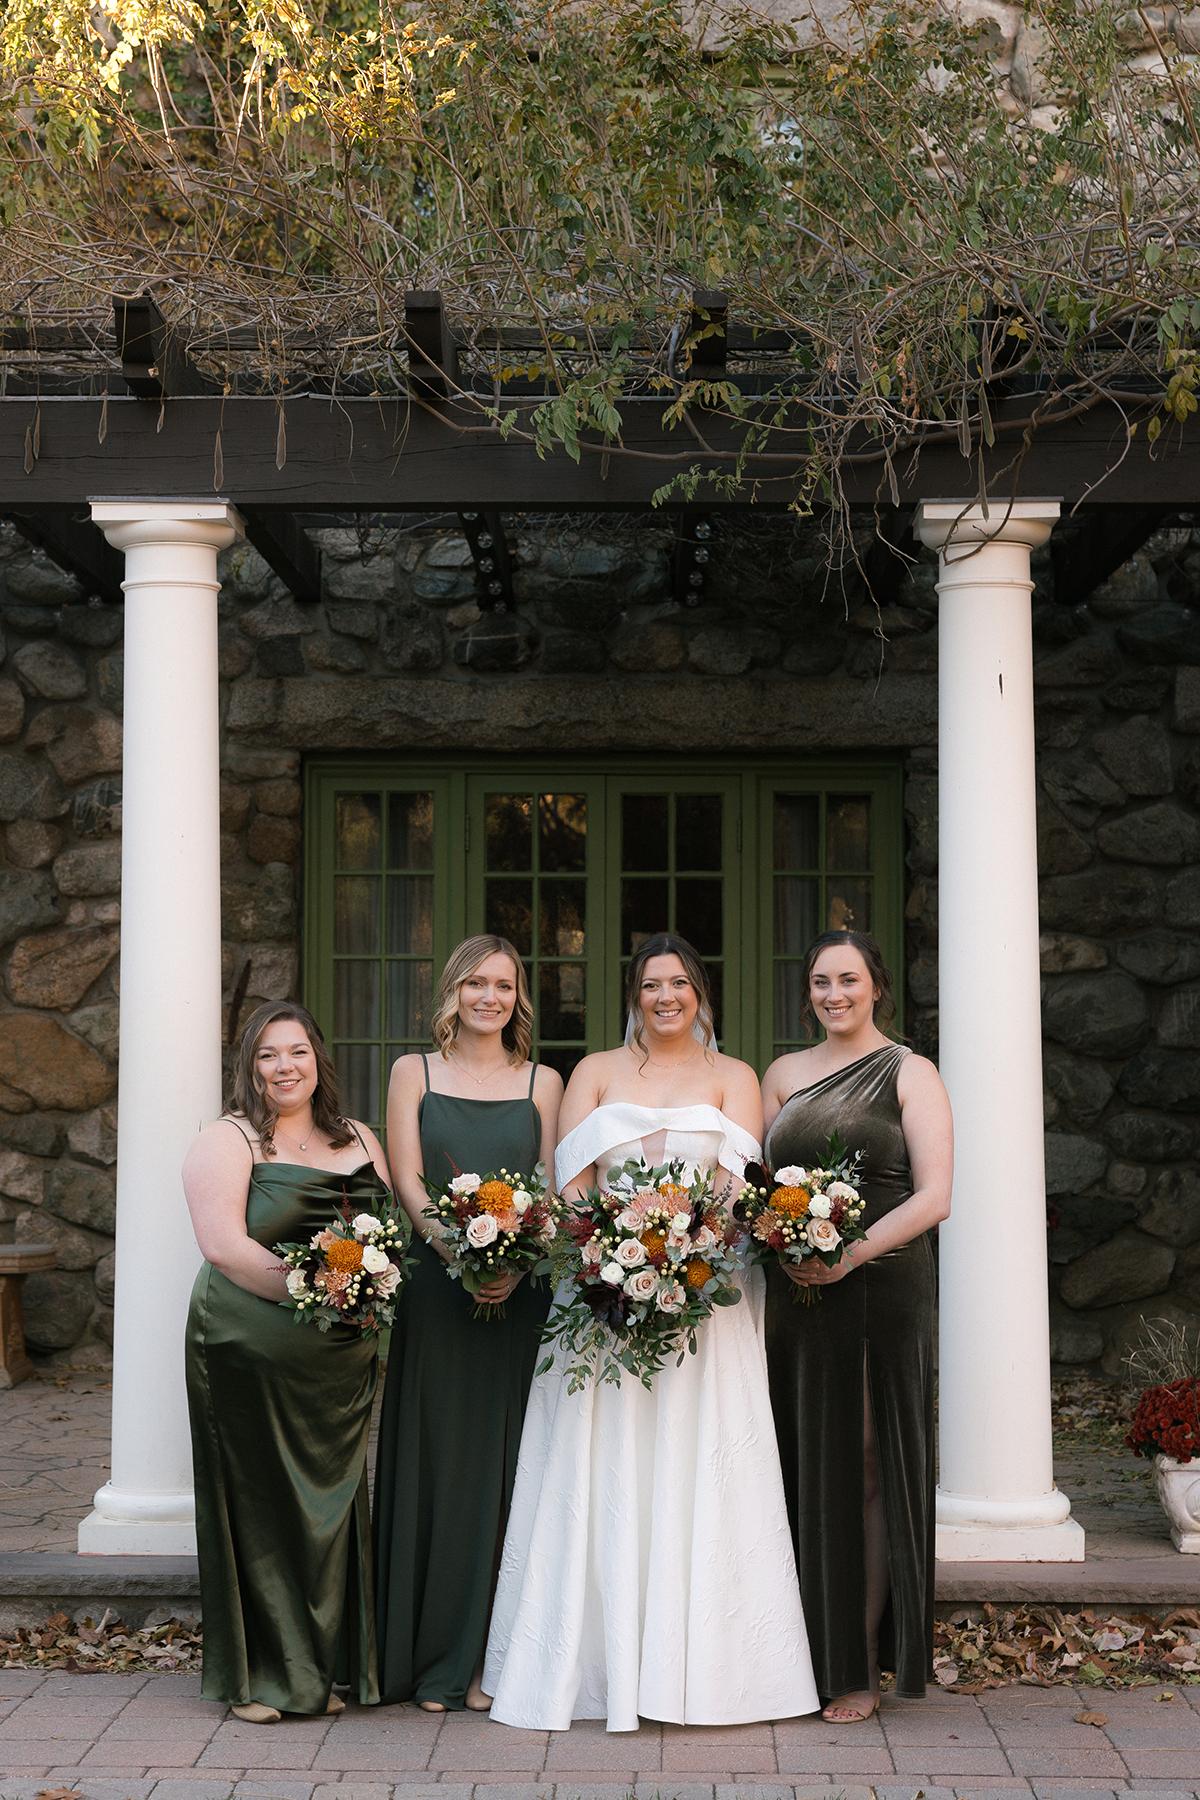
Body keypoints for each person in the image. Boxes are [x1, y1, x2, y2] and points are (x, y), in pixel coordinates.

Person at [483, 932, 819, 1733]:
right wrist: (611, 1261)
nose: (664, 996)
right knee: (604, 1465)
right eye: (649, 985)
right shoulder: (595, 1073)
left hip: (707, 1298)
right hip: (601, 1298)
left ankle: (704, 1671)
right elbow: (569, 1191)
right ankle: (589, 1666)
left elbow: (741, 1196)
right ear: (633, 997)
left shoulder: (735, 1078)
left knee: (699, 1461)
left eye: (679, 983)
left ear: (700, 992)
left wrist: (685, 1260)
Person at [761, 929, 953, 1723]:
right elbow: (758, 1184)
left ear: (875, 985)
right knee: (804, 1460)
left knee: (871, 1467)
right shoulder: (781, 1074)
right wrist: (782, 1240)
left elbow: (936, 1195)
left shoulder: (911, 1071)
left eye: (847, 980)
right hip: (798, 1294)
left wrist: (851, 1254)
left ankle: (859, 1667)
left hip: (880, 1289)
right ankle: (796, 1649)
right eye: (819, 983)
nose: (833, 995)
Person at [183, 1000, 392, 1723]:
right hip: (246, 1345)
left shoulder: (360, 1135)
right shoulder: (230, 1138)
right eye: (268, 1055)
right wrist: (319, 1291)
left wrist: (364, 1292)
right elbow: (223, 1246)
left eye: (297, 1052)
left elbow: (388, 1236)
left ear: (318, 1060)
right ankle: (260, 1678)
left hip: (339, 1367)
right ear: (249, 1065)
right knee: (261, 1506)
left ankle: (324, 1668)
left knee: (329, 1512)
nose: (284, 1067)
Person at [373, 935, 562, 1712]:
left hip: (521, 1298)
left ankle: (496, 1662)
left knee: (515, 1470)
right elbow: (408, 1178)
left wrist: (515, 1259)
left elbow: (550, 1182)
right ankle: (431, 1660)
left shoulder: (544, 1080)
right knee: (443, 1465)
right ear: (452, 991)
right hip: (440, 1293)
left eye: (505, 985)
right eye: (477, 983)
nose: (491, 997)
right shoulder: (412, 1072)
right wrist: (463, 1251)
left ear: (520, 997)